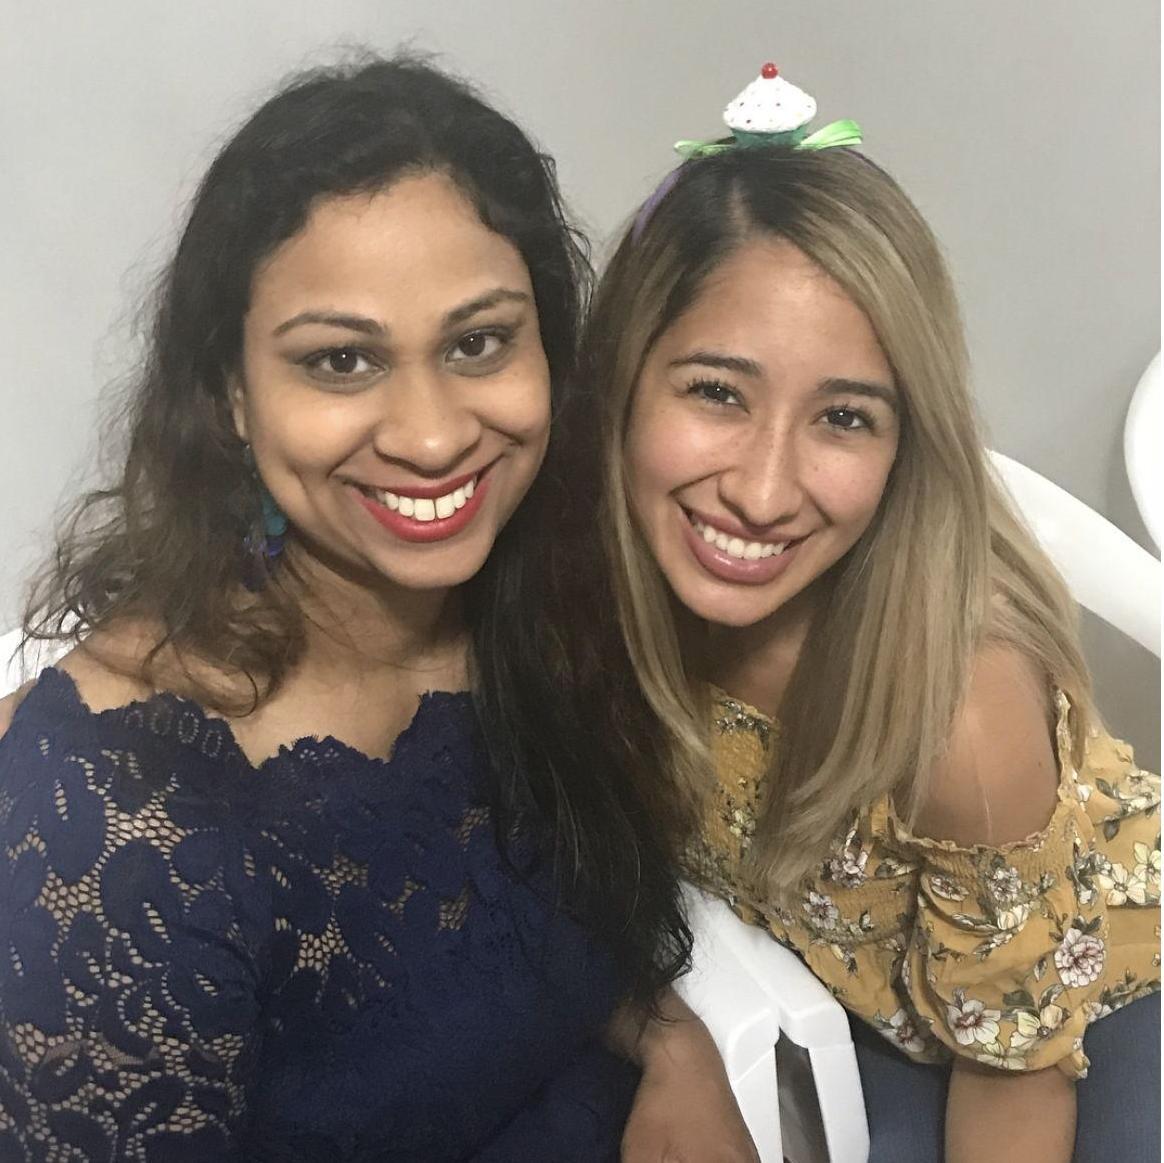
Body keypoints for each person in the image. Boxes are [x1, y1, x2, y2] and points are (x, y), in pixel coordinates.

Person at [0, 53, 755, 1162]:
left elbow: (542, 932)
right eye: (342, 360)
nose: (435, 433)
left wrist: (672, 1041)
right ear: (232, 398)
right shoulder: (119, 829)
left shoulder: (539, 595)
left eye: (478, 341)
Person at [579, 62, 1161, 1163]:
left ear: (905, 450)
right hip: (859, 990)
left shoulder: (961, 713)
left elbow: (1014, 1071)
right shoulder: (578, 589)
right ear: (619, 379)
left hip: (1078, 1013)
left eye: (843, 417)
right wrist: (670, 1036)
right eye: (716, 391)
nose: (760, 489)